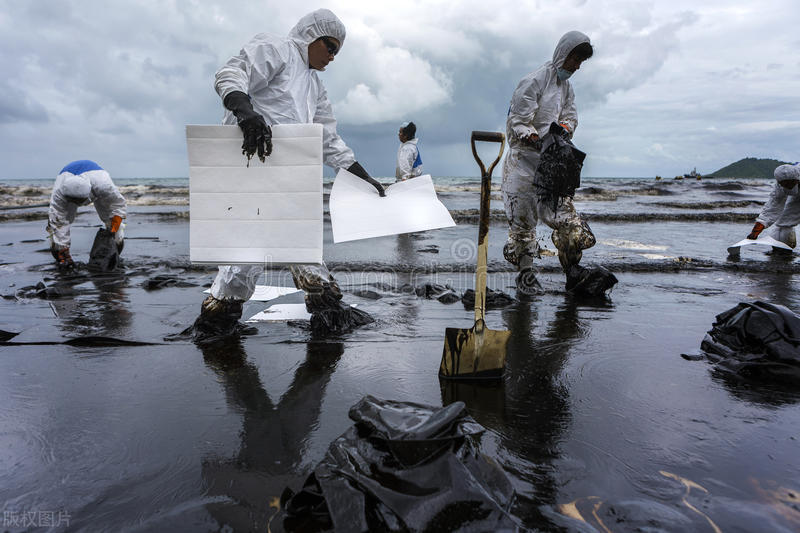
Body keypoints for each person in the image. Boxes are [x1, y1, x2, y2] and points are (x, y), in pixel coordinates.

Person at [195, 8, 383, 338]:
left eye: (337, 51)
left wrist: (360, 174)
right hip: (251, 165)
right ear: (312, 36)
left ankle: (221, 316)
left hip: (288, 176)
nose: (333, 57)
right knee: (252, 248)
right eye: (331, 47)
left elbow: (328, 138)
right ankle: (223, 317)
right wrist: (246, 114)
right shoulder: (277, 49)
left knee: (277, 243)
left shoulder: (315, 87)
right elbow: (231, 74)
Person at [502, 31, 595, 295]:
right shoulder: (533, 81)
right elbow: (518, 119)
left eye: (580, 62)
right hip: (523, 162)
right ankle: (525, 275)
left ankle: (572, 272)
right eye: (575, 59)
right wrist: (533, 136)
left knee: (566, 219)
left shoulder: (567, 88)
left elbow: (571, 115)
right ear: (564, 54)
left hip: (551, 163)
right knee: (523, 222)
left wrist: (563, 129)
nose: (577, 66)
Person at [46, 160, 126, 269]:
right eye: (74, 200)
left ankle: (115, 250)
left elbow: (118, 204)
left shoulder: (103, 185)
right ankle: (61, 254)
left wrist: (114, 225)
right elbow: (58, 220)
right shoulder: (59, 192)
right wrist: (62, 246)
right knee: (58, 223)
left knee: (112, 222)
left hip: (95, 175)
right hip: (65, 175)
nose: (78, 204)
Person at [747, 163, 800, 253]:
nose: (787, 186)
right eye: (784, 184)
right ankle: (782, 248)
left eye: (790, 183)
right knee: (783, 222)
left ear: (796, 179)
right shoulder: (780, 186)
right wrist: (757, 228)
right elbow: (773, 206)